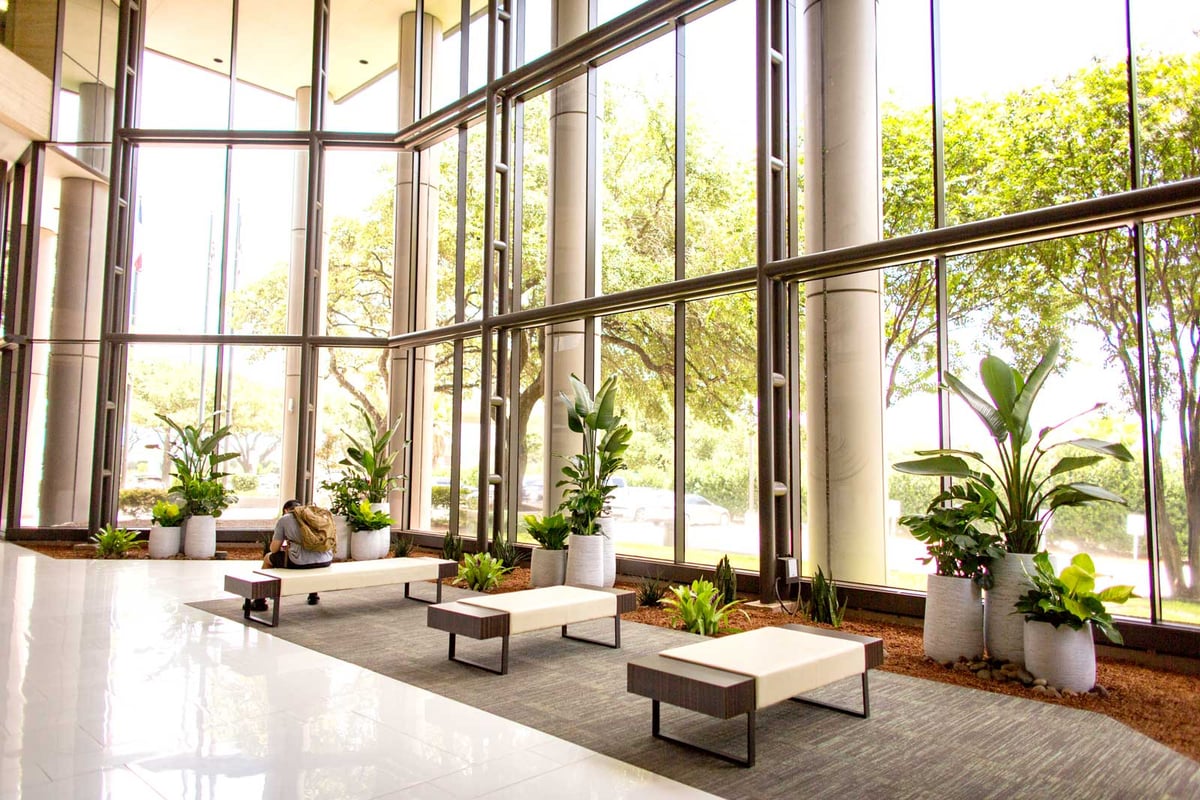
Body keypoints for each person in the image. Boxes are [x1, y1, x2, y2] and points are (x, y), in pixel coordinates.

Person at [251, 499, 332, 610]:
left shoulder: (285, 519)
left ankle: (259, 600)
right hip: (325, 560)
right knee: (311, 558)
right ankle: (313, 596)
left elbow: (274, 549)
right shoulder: (313, 516)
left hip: (299, 562)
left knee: (267, 558)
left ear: (285, 510)